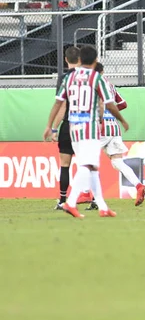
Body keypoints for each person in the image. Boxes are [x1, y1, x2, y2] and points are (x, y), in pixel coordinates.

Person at [43, 45, 129, 218]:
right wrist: (122, 120)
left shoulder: (69, 78)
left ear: (80, 60)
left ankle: (102, 206)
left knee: (93, 166)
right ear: (95, 60)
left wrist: (49, 125)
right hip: (89, 127)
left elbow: (58, 103)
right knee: (87, 165)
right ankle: (71, 202)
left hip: (73, 126)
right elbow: (109, 103)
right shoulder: (96, 78)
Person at [95, 62, 145, 207]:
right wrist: (111, 111)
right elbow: (123, 104)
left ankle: (91, 196)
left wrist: (101, 113)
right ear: (103, 70)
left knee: (86, 160)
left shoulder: (93, 84)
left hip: (100, 126)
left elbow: (97, 104)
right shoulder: (110, 84)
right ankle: (138, 186)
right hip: (114, 125)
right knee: (117, 162)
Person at [50, 46, 94, 211]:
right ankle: (94, 199)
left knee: (65, 164)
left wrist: (54, 128)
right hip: (85, 125)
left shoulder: (64, 78)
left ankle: (62, 200)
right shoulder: (89, 77)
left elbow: (62, 105)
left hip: (68, 124)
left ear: (66, 59)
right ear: (81, 59)